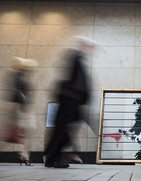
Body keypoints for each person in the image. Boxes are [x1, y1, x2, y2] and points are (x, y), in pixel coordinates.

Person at [44, 36, 96, 168]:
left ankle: (51, 155)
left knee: (63, 129)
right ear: (81, 45)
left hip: (72, 100)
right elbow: (74, 79)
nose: (90, 49)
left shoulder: (78, 60)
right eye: (87, 46)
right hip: (70, 99)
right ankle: (52, 157)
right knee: (62, 130)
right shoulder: (74, 57)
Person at [5, 57, 38, 166]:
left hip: (23, 107)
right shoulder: (18, 75)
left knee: (25, 131)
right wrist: (25, 103)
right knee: (26, 130)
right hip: (21, 108)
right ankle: (24, 155)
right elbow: (18, 92)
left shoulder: (23, 76)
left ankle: (24, 155)